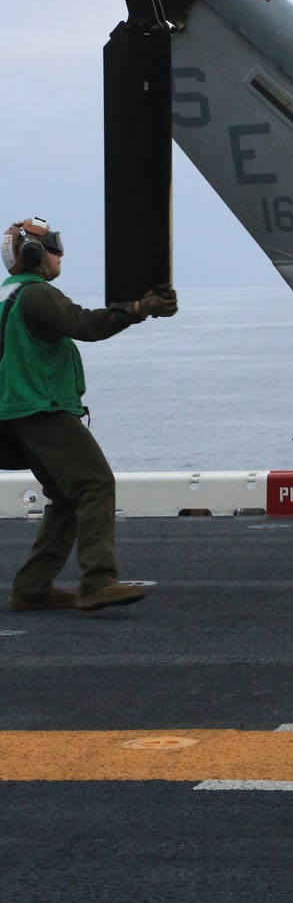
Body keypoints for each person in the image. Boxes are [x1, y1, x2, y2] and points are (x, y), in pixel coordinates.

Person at [0, 217, 178, 612]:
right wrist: (140, 308)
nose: (59, 252)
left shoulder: (7, 297)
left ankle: (31, 588)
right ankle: (98, 580)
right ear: (31, 252)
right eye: (52, 244)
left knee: (66, 496)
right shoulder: (36, 294)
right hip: (42, 408)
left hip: (17, 413)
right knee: (96, 482)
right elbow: (85, 324)